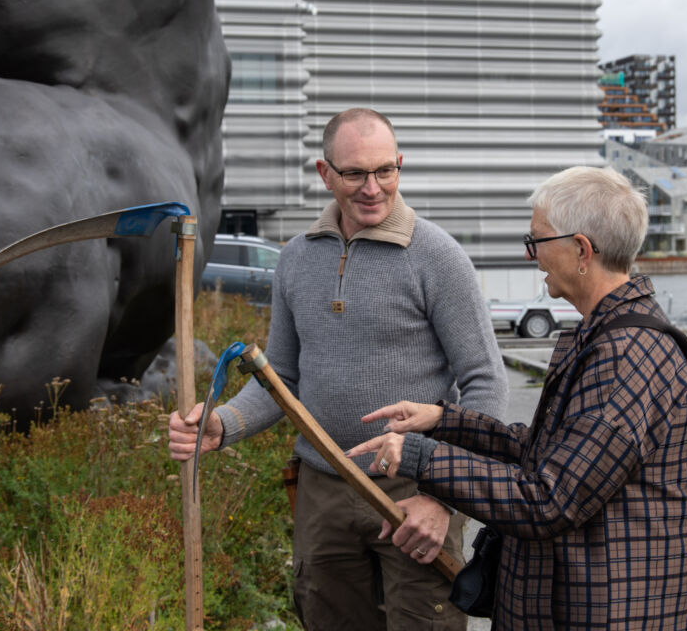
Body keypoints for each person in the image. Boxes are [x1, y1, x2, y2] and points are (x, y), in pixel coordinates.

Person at [168, 108, 508, 630]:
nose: (373, 188)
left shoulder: (438, 258)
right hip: (322, 492)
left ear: (400, 165)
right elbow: (282, 378)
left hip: (411, 492)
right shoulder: (296, 260)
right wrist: (222, 425)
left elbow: (486, 383)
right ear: (325, 174)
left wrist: (444, 497)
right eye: (354, 174)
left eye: (385, 171)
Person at [348, 165, 687, 630]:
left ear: (581, 250)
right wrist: (442, 420)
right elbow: (550, 450)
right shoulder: (606, 338)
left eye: (537, 240)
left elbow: (550, 497)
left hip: (600, 611)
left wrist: (422, 458)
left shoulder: (626, 356)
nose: (529, 253)